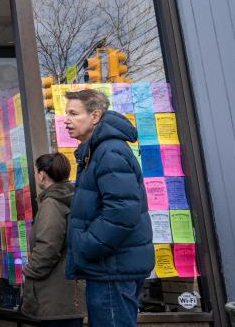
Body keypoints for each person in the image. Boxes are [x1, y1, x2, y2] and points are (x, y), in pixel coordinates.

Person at [63, 89, 154, 327]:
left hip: (112, 269)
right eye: (66, 114)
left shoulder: (109, 151)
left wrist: (87, 244)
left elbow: (122, 211)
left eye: (73, 113)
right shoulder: (96, 150)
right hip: (110, 267)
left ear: (95, 116)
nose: (66, 120)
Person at [21, 153, 86, 326]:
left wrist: (30, 271)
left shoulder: (51, 203)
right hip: (68, 295)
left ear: (42, 175)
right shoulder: (71, 198)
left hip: (55, 297)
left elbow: (48, 247)